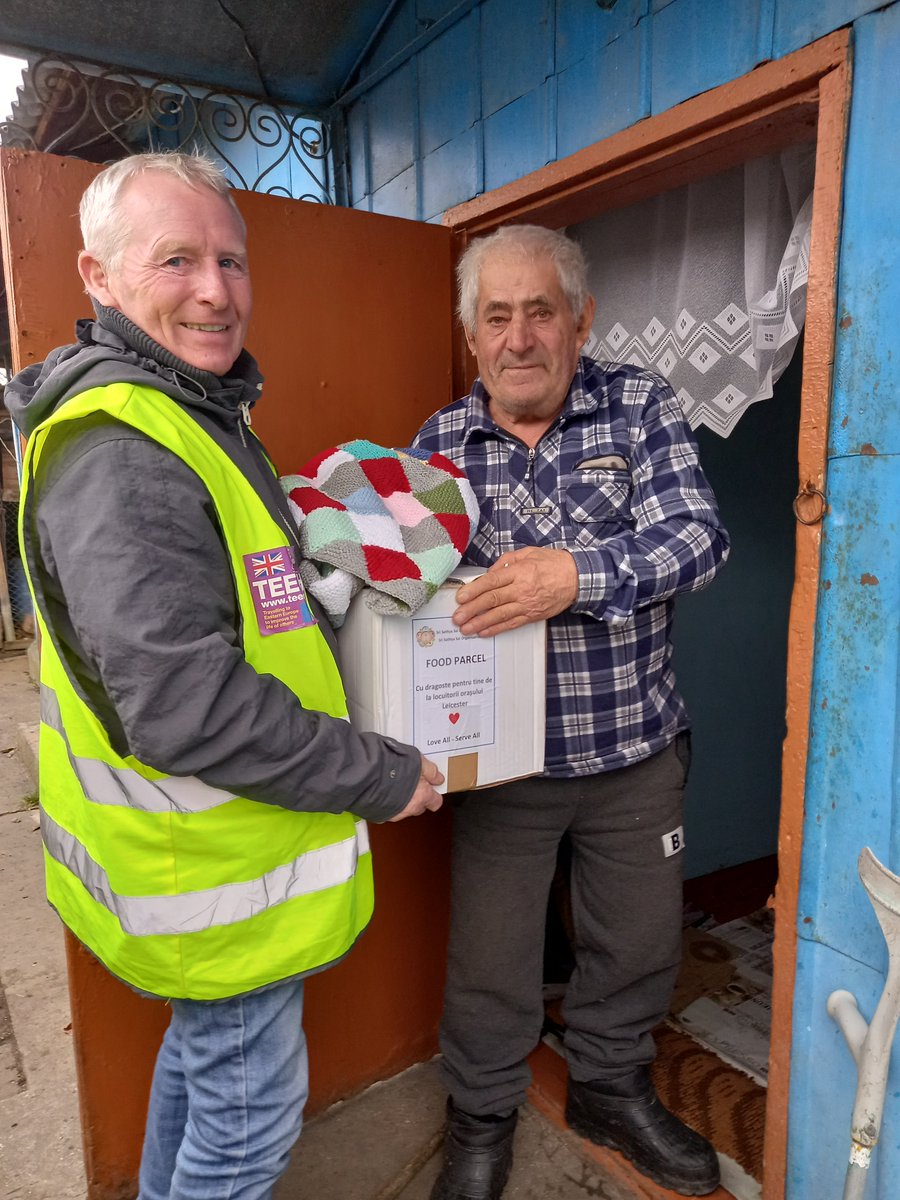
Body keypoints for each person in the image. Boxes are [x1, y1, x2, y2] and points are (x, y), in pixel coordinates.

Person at [6, 151, 444, 1200]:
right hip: (211, 875)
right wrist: (380, 772)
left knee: (204, 1077)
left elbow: (230, 616)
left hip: (206, 872)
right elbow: (187, 706)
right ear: (98, 276)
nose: (215, 290)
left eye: (232, 262)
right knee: (244, 1131)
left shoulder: (191, 415)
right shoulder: (126, 450)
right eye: (177, 261)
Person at [412, 224, 730, 1199]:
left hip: (634, 743)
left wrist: (578, 574)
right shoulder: (437, 444)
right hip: (502, 768)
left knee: (636, 941)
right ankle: (482, 1113)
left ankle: (609, 1086)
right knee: (492, 959)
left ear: (579, 321)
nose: (519, 337)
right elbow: (405, 595)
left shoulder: (638, 407)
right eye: (497, 316)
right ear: (473, 336)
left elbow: (699, 541)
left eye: (539, 312)